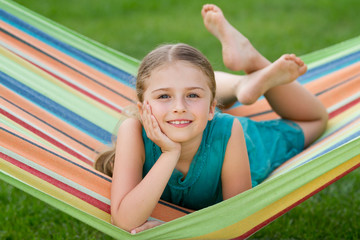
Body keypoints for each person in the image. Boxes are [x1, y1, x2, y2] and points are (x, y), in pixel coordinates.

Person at [94, 4, 328, 234]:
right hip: (202, 117)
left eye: (192, 96)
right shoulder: (133, 130)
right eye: (164, 96)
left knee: (316, 120)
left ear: (211, 110)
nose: (178, 108)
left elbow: (239, 222)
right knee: (190, 81)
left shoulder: (228, 131)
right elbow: (123, 221)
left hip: (250, 150)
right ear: (142, 108)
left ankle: (252, 61)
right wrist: (169, 154)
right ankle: (240, 84)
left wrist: (176, 231)